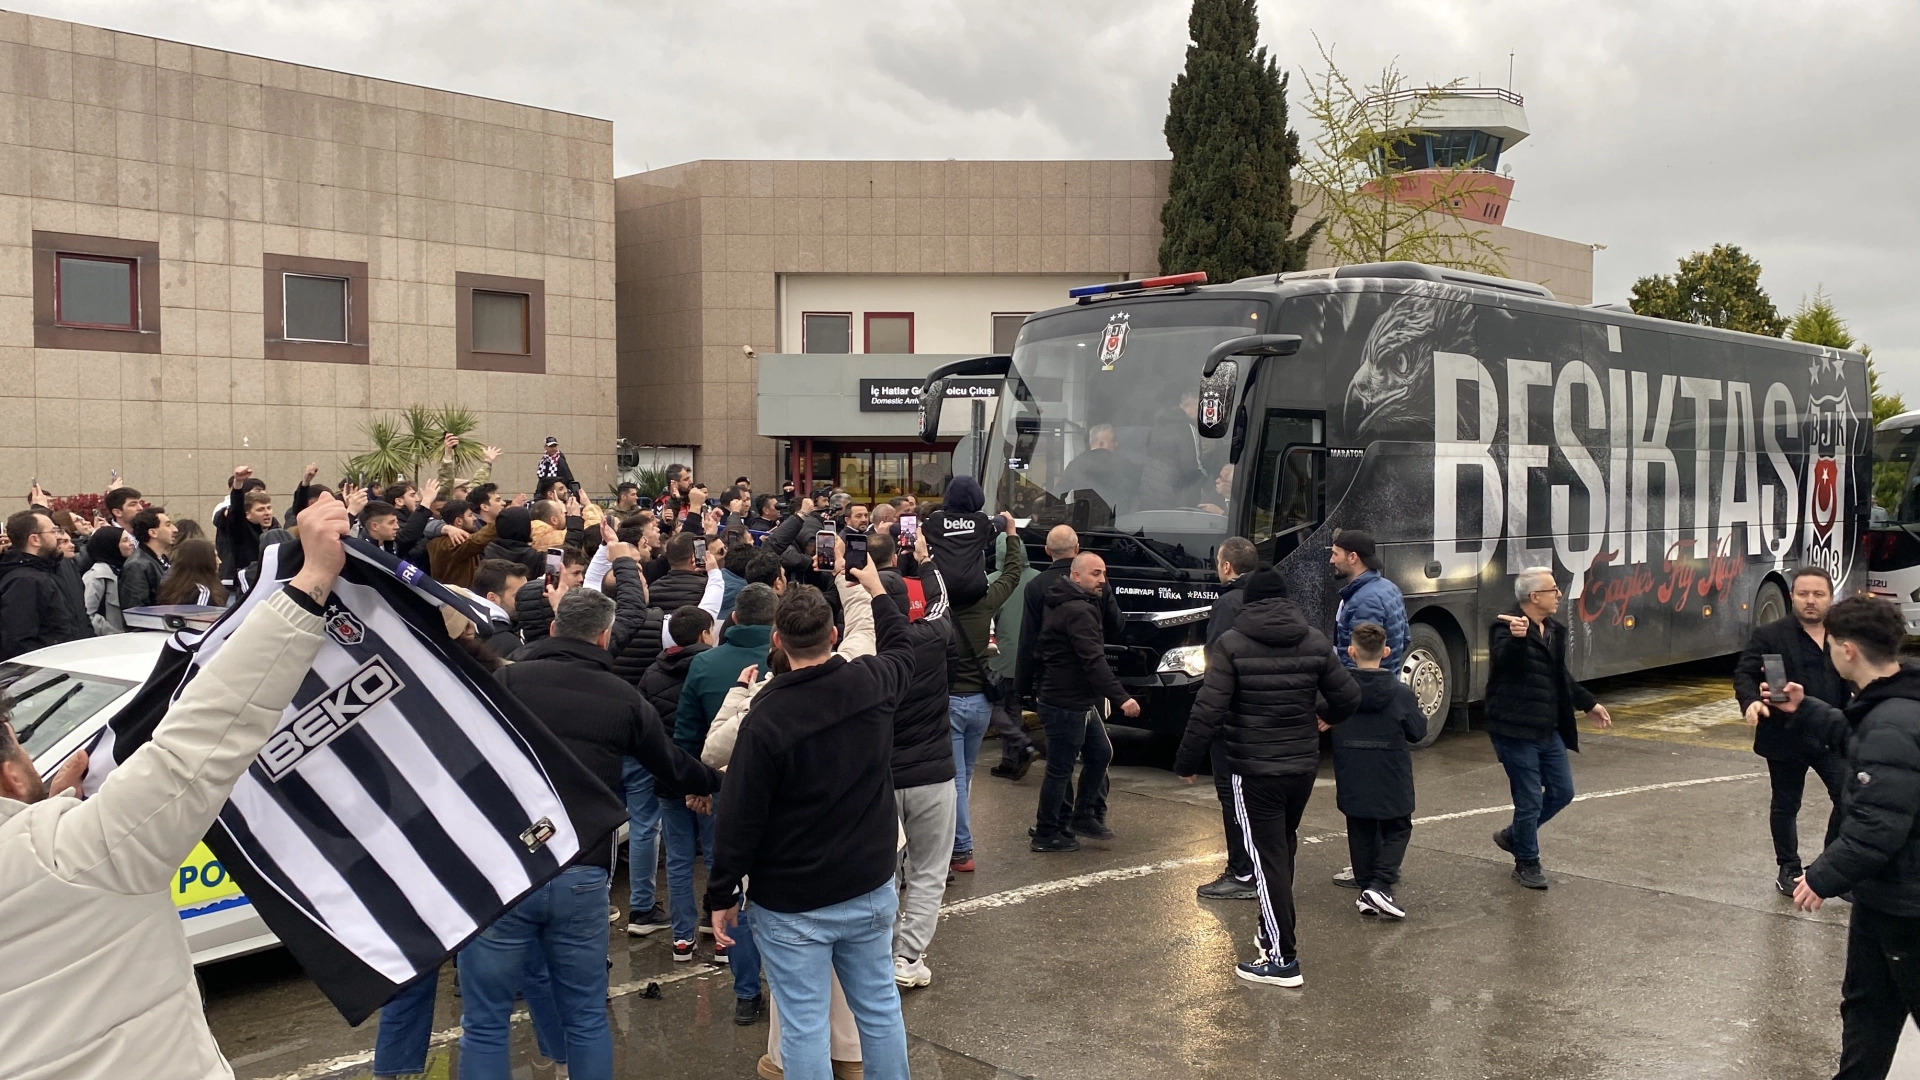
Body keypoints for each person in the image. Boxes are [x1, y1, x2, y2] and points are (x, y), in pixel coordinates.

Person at [0, 491, 350, 1080]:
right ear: (10, 772)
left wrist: (54, 809)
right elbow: (206, 731)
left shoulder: (69, 847)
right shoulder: (76, 854)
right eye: (20, 743)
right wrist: (312, 581)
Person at [478, 584, 721, 1080]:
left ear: (552, 628)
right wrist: (717, 781)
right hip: (582, 867)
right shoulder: (622, 698)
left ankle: (555, 1056)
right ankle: (566, 1061)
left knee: (486, 1021)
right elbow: (673, 766)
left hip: (508, 869)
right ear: (605, 637)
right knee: (587, 1011)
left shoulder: (505, 682)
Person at [708, 561, 915, 1080]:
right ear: (834, 635)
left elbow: (739, 816)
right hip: (867, 882)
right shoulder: (872, 683)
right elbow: (903, 648)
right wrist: (876, 591)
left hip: (792, 898)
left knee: (803, 1023)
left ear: (777, 641)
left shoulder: (766, 718)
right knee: (879, 1007)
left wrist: (721, 892)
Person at [1173, 567, 1360, 988]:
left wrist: (1186, 760)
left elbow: (1208, 708)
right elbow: (1349, 695)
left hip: (1253, 768)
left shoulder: (1231, 644)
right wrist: (1324, 716)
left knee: (1266, 858)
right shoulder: (1314, 640)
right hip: (1301, 767)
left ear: (1249, 601)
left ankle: (1281, 957)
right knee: (1281, 850)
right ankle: (1270, 930)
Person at [1761, 596, 1920, 1080]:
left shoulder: (1893, 720)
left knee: (1876, 1008)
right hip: (1882, 898)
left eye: (1831, 643)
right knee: (1867, 1009)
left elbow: (1879, 824)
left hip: (1908, 906)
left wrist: (1821, 876)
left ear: (1846, 650)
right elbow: (1862, 742)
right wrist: (1804, 708)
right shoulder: (1890, 703)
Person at [665, 584, 777, 964]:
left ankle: (694, 939)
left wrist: (695, 784)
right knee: (737, 865)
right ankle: (740, 945)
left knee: (698, 861)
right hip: (762, 786)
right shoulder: (784, 659)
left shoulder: (705, 663)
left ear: (734, 618)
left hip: (711, 779)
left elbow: (687, 732)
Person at [1484, 566, 1613, 889]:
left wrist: (1589, 703)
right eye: (1553, 590)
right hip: (1514, 729)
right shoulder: (1505, 627)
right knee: (1529, 799)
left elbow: (1559, 676)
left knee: (1562, 791)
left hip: (1547, 727)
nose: (1558, 595)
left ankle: (1514, 836)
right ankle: (1527, 862)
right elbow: (1507, 664)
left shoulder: (1554, 630)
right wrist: (1517, 639)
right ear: (1534, 596)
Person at [1734, 566, 1851, 896]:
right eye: (1803, 594)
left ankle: (1830, 866)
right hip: (1784, 733)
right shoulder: (1770, 635)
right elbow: (1744, 674)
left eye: (1818, 594)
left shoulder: (1843, 635)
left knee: (1849, 798)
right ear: (1791, 597)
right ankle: (1788, 867)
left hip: (1831, 733)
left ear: (1831, 597)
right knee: (1786, 804)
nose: (1810, 600)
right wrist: (1750, 702)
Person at [876, 543, 956, 989]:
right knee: (929, 870)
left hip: (882, 778)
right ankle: (909, 957)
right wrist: (926, 561)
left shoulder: (864, 653)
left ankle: (884, 953)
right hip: (932, 774)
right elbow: (942, 602)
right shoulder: (930, 637)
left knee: (883, 872)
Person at [1029, 552, 1139, 852]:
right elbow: (1093, 660)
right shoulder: (1077, 609)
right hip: (1065, 701)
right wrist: (1122, 698)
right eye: (1095, 573)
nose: (1102, 580)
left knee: (1100, 753)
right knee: (1060, 769)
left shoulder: (1076, 602)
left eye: (1104, 573)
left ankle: (1081, 816)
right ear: (1076, 576)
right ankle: (1047, 832)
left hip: (1078, 699)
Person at [944, 514, 1026, 873]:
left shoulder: (939, 605)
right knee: (966, 774)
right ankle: (958, 841)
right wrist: (1011, 535)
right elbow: (1012, 573)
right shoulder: (986, 601)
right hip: (980, 702)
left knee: (955, 779)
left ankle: (961, 848)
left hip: (949, 700)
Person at [1325, 621, 1422, 920]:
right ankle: (1380, 884)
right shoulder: (1400, 693)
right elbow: (1417, 731)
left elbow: (1324, 717)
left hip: (1352, 770)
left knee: (1360, 829)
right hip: (1391, 771)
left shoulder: (1339, 694)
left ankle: (1367, 888)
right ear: (1387, 652)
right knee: (1398, 827)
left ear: (1351, 652)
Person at [1196, 535, 1261, 901]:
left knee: (1232, 795)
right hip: (1267, 713)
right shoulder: (1272, 599)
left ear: (1226, 566)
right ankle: (1262, 867)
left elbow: (1218, 662)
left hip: (1234, 716)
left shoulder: (1228, 603)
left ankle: (1242, 870)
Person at [1014, 525, 1124, 707]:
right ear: (1077, 548)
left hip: (1053, 683)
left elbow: (1028, 639)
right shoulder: (1097, 582)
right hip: (1092, 679)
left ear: (1047, 550)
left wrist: (1022, 689)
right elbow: (1117, 624)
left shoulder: (1036, 586)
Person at [983, 527, 1040, 782]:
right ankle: (1012, 760)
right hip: (1027, 658)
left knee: (992, 706)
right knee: (1014, 707)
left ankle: (1020, 746)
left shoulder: (992, 581)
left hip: (998, 656)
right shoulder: (1038, 579)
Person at [0, 510, 87, 660]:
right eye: (53, 531)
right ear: (35, 540)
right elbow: (19, 642)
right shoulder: (24, 581)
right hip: (49, 667)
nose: (58, 536)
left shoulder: (50, 570)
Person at [1329, 529, 1409, 671]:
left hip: (1365, 683)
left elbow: (1362, 661)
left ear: (1352, 557)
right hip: (1387, 680)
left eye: (1335, 554)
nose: (1331, 560)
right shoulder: (1390, 587)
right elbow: (1405, 639)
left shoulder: (1364, 602)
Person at [921, 476, 996, 611]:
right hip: (974, 593)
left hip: (941, 589)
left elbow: (912, 530)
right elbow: (999, 523)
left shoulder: (935, 520)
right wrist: (1004, 518)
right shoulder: (981, 522)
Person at [119, 506, 177, 611]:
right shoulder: (137, 566)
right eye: (168, 525)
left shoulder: (162, 559)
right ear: (153, 533)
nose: (175, 529)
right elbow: (135, 610)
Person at [82, 525, 132, 634]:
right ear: (111, 545)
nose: (131, 544)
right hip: (110, 639)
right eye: (125, 540)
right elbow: (88, 614)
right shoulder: (96, 576)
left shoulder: (126, 569)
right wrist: (113, 633)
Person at [157, 538, 227, 607]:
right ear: (203, 561)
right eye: (215, 556)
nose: (219, 561)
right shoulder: (202, 592)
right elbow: (199, 613)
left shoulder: (168, 586)